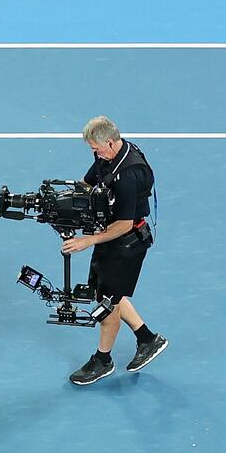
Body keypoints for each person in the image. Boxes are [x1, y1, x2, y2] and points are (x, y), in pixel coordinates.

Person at [60, 116, 168, 385]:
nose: (94, 154)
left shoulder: (129, 174)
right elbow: (88, 183)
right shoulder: (109, 156)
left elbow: (123, 224)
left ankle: (103, 360)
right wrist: (66, 202)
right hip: (111, 241)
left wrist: (88, 240)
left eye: (96, 148)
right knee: (107, 293)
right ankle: (147, 339)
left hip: (126, 245)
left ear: (109, 141)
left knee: (108, 306)